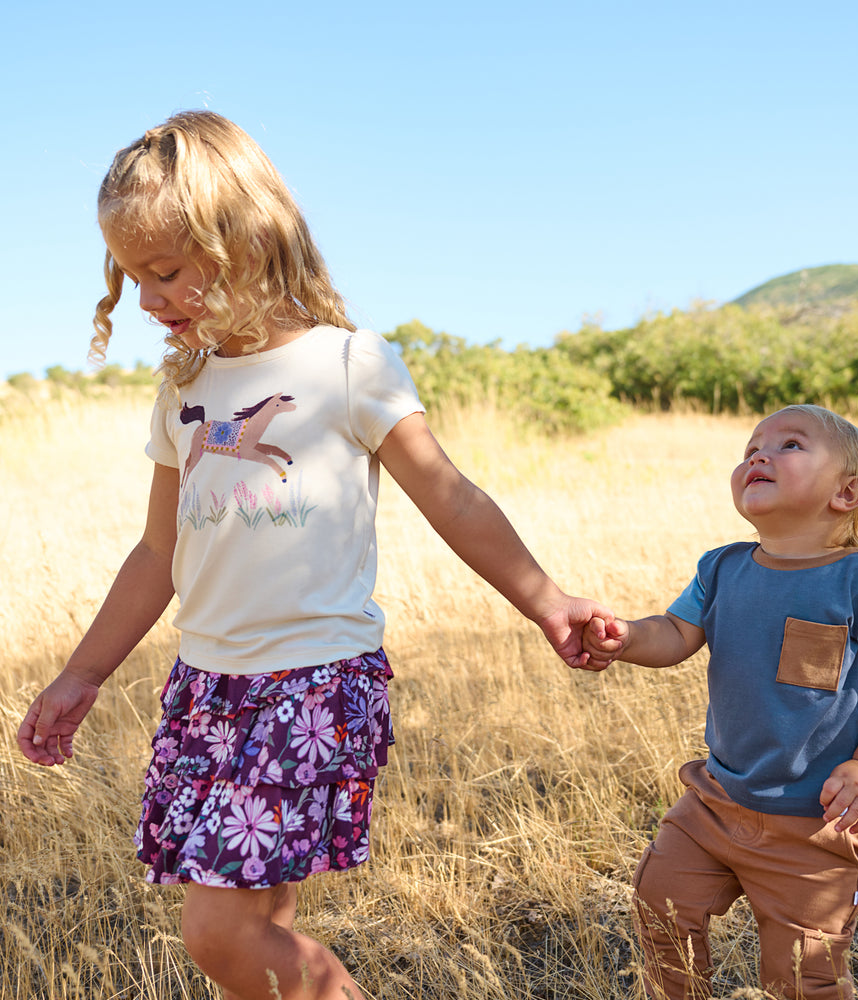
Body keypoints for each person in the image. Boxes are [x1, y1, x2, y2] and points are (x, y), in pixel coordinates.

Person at [17, 110, 613, 1000]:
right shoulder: (184, 388)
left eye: (165, 272)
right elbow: (156, 550)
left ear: (244, 241)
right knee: (259, 927)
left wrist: (547, 600)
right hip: (207, 687)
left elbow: (452, 496)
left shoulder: (348, 365)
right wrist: (81, 674)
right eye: (130, 277)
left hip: (311, 685)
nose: (145, 300)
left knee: (220, 934)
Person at [580, 404, 858, 1000]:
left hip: (812, 823)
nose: (758, 456)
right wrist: (629, 637)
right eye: (751, 449)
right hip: (716, 800)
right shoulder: (722, 568)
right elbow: (675, 633)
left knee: (802, 974)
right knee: (661, 902)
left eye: (789, 445)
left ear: (847, 492)